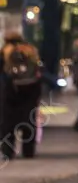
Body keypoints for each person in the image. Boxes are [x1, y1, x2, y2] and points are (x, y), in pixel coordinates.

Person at [0, 31, 43, 161]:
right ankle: (28, 150)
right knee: (29, 121)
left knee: (7, 124)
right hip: (30, 91)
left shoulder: (5, 52)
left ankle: (8, 150)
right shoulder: (31, 51)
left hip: (10, 93)